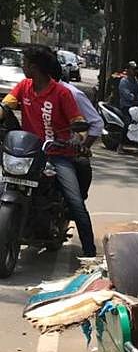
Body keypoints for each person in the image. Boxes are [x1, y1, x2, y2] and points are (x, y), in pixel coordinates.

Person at [1, 44, 96, 256]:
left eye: (25, 63)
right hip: (27, 153)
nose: (22, 67)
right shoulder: (24, 86)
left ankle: (90, 253)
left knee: (75, 203)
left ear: (34, 68)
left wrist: (76, 138)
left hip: (58, 155)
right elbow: (6, 106)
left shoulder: (62, 93)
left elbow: (78, 121)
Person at [49, 56, 102, 202]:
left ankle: (74, 207)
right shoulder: (29, 89)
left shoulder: (72, 94)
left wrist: (83, 147)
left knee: (81, 165)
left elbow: (96, 122)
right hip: (36, 147)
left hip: (64, 149)